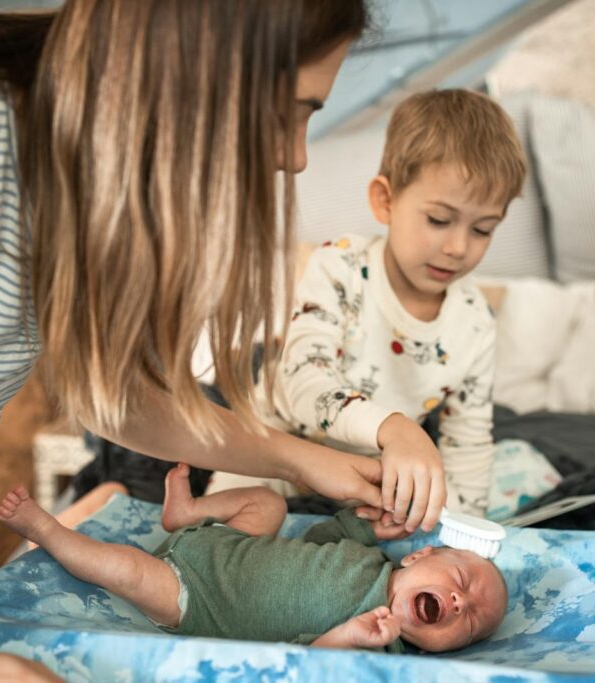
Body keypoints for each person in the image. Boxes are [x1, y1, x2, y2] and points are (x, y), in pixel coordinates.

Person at [0, 2, 441, 680]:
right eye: (290, 111)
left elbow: (113, 395)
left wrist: (298, 460)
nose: (293, 158)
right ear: (191, 56)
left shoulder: (68, 173)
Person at [209, 89, 528, 521]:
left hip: (368, 476)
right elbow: (307, 381)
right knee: (223, 537)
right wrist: (394, 427)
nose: (457, 248)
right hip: (276, 450)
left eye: (483, 229)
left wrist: (463, 534)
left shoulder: (475, 321)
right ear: (385, 200)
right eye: (438, 220)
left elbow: (467, 443)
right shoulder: (338, 267)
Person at [0, 463, 508, 653]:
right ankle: (187, 512)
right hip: (228, 543)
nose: (461, 603)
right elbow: (318, 541)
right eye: (462, 581)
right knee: (269, 503)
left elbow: (308, 660)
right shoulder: (368, 559)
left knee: (124, 568)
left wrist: (350, 639)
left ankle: (45, 529)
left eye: (469, 624)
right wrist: (361, 524)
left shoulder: (377, 637)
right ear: (419, 557)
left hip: (194, 595)